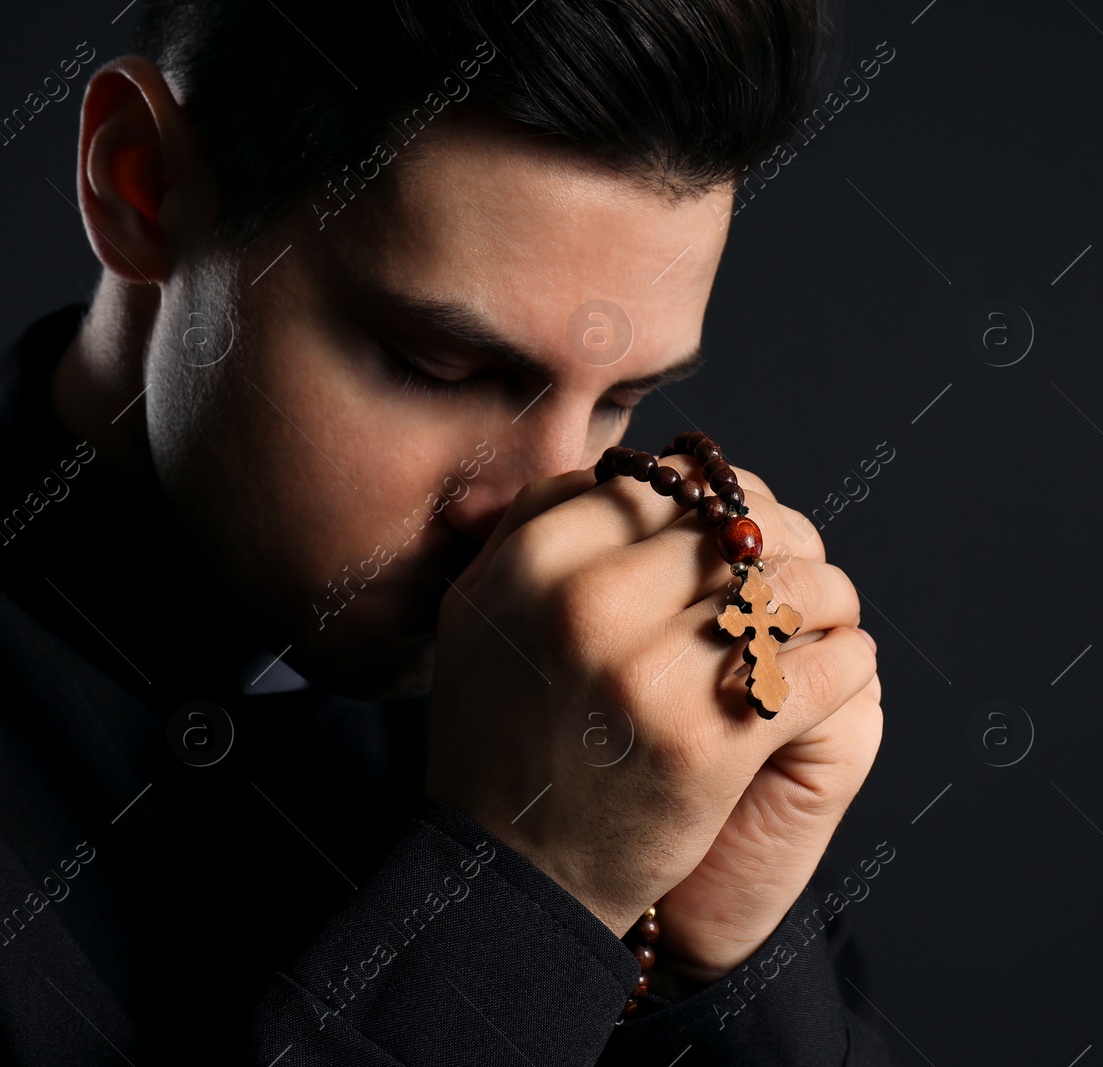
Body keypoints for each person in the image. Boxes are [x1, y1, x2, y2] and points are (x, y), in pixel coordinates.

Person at [0, 1, 897, 1062]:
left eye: (620, 402)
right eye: (440, 367)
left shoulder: (633, 708)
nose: (539, 506)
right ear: (141, 182)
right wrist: (529, 893)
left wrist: (716, 964)